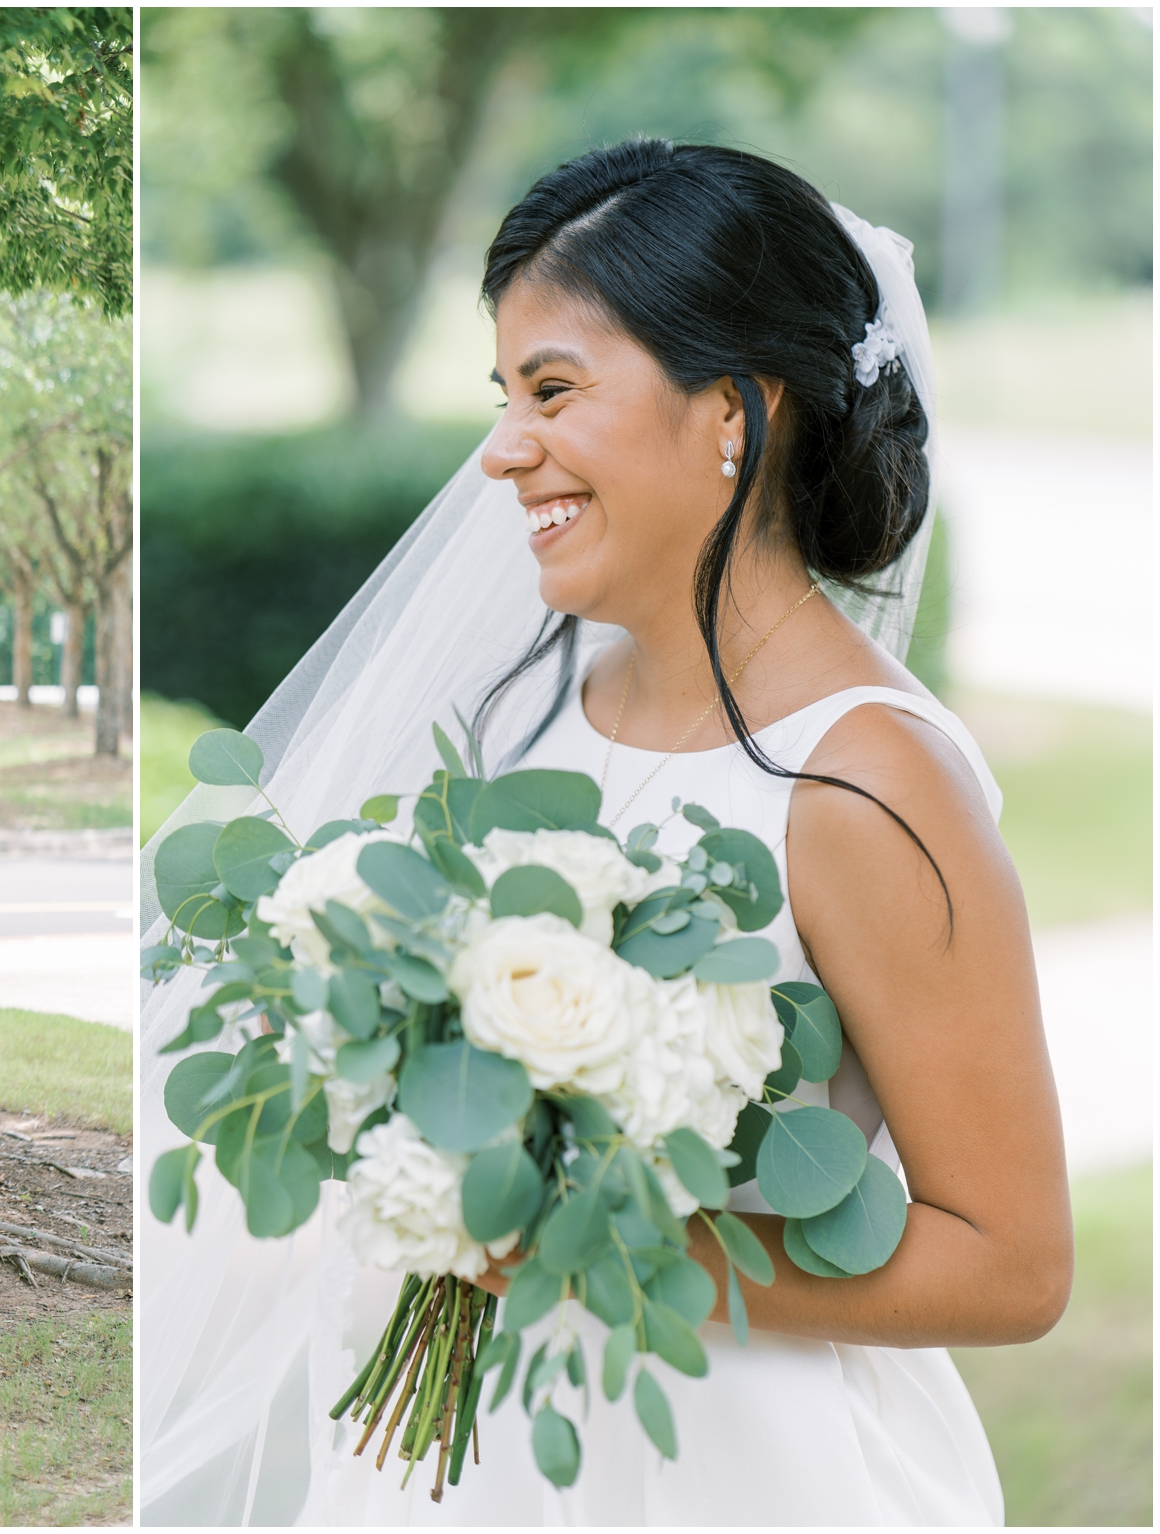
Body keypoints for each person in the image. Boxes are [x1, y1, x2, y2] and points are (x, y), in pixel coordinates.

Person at [139, 140, 1070, 1526]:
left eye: (554, 391)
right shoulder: (535, 702)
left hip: (736, 1470)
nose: (504, 450)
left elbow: (1011, 1261)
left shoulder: (869, 782)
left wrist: (623, 1249)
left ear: (735, 418)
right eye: (505, 396)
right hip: (457, 1459)